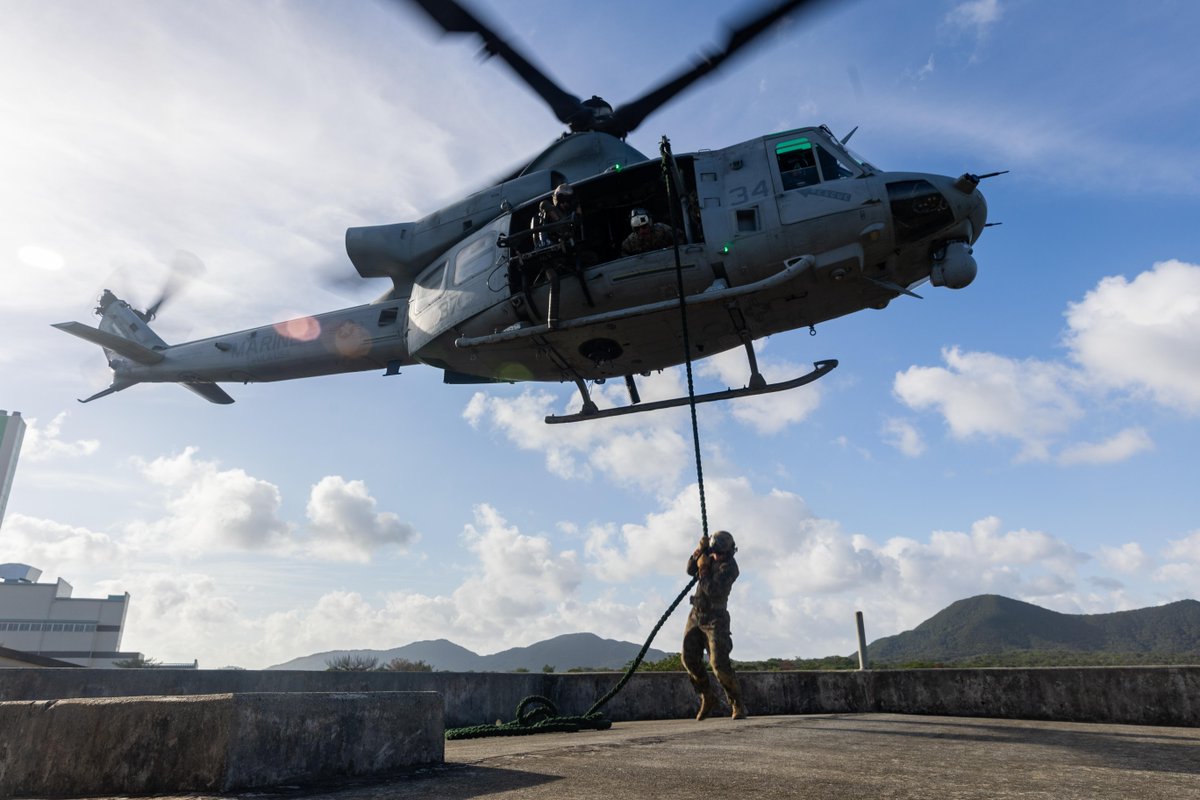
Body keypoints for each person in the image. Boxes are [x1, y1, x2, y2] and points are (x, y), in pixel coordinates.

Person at [681, 530, 747, 720]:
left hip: (715, 619)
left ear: (729, 553)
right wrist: (698, 552)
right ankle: (707, 696)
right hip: (696, 615)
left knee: (718, 664)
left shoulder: (730, 568)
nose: (716, 556)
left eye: (720, 554)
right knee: (688, 659)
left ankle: (737, 703)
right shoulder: (709, 554)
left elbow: (713, 591)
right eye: (714, 552)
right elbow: (689, 570)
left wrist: (703, 568)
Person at [531, 183, 579, 247]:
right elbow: (544, 204)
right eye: (565, 199)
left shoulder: (569, 211)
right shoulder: (552, 209)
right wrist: (559, 222)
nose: (567, 202)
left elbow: (578, 220)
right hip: (550, 241)